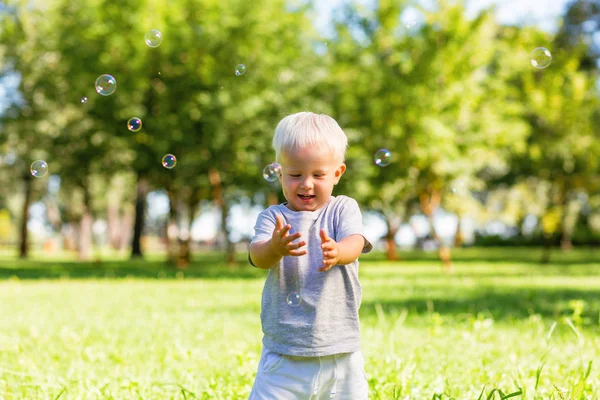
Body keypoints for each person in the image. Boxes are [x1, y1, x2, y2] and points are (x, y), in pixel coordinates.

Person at [248, 112, 373, 399]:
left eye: (318, 175)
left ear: (337, 174)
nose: (306, 184)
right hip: (285, 353)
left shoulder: (342, 209)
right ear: (279, 172)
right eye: (295, 175)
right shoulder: (273, 217)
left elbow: (356, 241)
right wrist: (274, 248)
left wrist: (339, 251)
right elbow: (257, 257)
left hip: (340, 352)